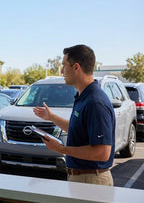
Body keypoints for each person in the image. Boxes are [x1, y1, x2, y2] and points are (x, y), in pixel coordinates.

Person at [33, 44, 115, 186]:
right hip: (83, 178)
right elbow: (77, 130)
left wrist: (61, 149)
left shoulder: (95, 102)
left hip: (92, 181)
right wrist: (51, 117)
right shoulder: (83, 97)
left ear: (76, 67)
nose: (61, 71)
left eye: (64, 65)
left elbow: (102, 153)